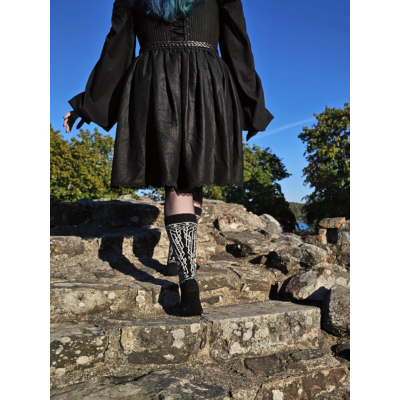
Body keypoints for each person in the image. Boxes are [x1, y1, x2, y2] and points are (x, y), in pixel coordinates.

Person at [63, 0, 273, 317]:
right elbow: (238, 46)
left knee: (176, 175)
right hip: (206, 80)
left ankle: (181, 267)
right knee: (188, 172)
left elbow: (116, 52)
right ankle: (188, 281)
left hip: (154, 80)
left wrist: (87, 104)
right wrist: (251, 104)